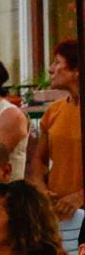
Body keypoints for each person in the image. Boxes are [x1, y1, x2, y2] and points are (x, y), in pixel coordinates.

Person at [31, 39, 82, 218]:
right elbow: (39, 158)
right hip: (58, 213)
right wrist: (40, 187)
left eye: (57, 62)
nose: (50, 69)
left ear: (77, 71)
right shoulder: (54, 110)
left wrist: (80, 197)